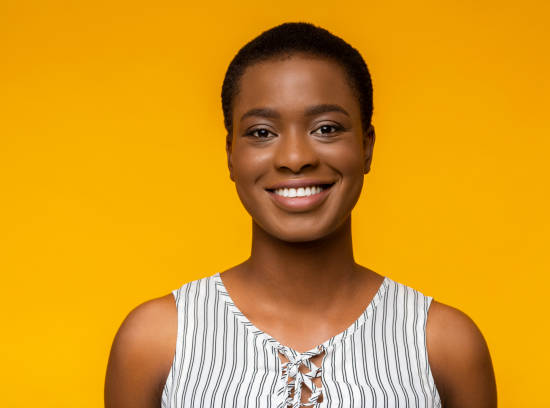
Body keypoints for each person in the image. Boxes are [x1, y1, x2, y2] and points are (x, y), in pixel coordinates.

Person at [104, 22, 497, 408]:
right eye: (261, 132)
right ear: (230, 155)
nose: (296, 159)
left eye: (326, 128)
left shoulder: (445, 344)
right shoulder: (156, 341)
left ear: (366, 147)